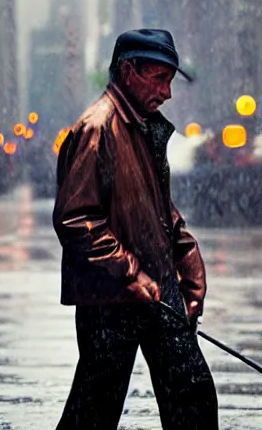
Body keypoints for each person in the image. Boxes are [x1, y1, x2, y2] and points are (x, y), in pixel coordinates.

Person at [52, 29, 219, 429]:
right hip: (110, 298)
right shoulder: (97, 129)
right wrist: (129, 272)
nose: (167, 92)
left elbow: (160, 211)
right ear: (129, 72)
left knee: (191, 391)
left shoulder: (143, 128)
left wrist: (188, 261)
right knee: (95, 407)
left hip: (156, 290)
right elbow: (76, 219)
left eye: (170, 81)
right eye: (159, 78)